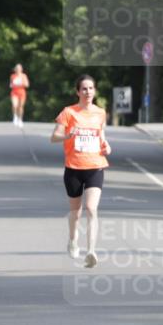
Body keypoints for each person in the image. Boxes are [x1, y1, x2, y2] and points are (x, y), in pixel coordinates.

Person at [51, 74, 111, 269]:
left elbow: (101, 135)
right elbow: (54, 137)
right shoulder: (69, 113)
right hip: (74, 168)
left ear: (95, 91)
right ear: (78, 92)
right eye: (84, 89)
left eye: (91, 88)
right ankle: (72, 239)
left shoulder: (100, 113)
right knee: (75, 213)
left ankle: (91, 251)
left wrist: (107, 146)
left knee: (92, 209)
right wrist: (67, 135)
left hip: (95, 166)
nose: (88, 92)